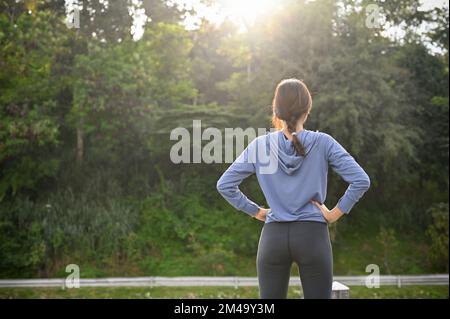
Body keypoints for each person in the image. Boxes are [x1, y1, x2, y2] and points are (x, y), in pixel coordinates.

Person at [216, 78, 371, 299]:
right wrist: (334, 214)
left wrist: (256, 211)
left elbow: (224, 185)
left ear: (276, 111)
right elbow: (361, 180)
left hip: (273, 237)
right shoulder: (323, 142)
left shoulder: (260, 145)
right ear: (307, 110)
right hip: (312, 235)